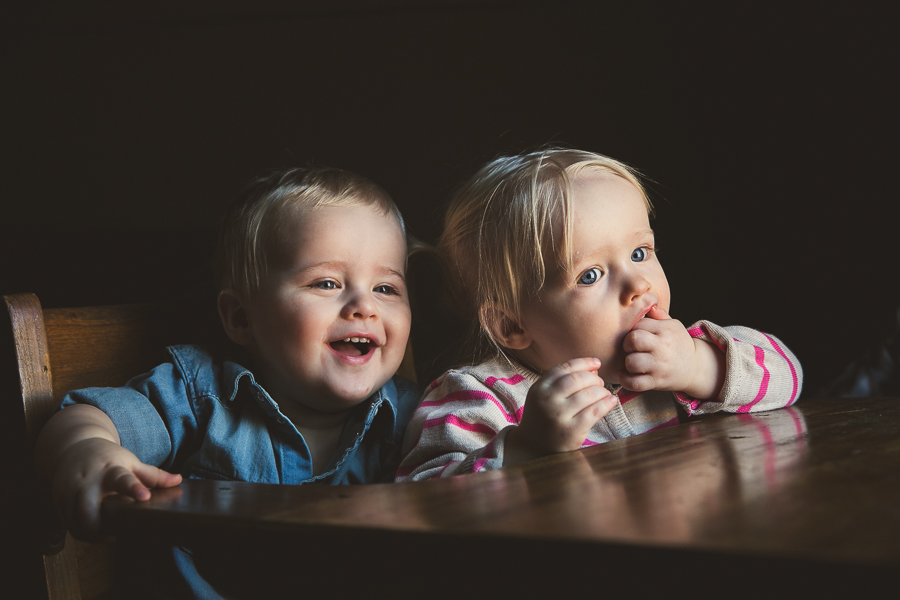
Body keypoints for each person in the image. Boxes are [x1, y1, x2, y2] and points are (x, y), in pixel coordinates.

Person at [35, 167, 420, 597]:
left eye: (386, 288)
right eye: (326, 282)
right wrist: (87, 449)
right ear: (241, 318)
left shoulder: (416, 419)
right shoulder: (202, 395)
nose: (364, 306)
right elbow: (85, 416)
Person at [396, 148, 802, 481]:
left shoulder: (680, 357)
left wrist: (701, 367)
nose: (638, 285)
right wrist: (525, 447)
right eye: (590, 275)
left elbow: (790, 375)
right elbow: (426, 495)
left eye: (640, 253)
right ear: (512, 325)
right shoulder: (480, 397)